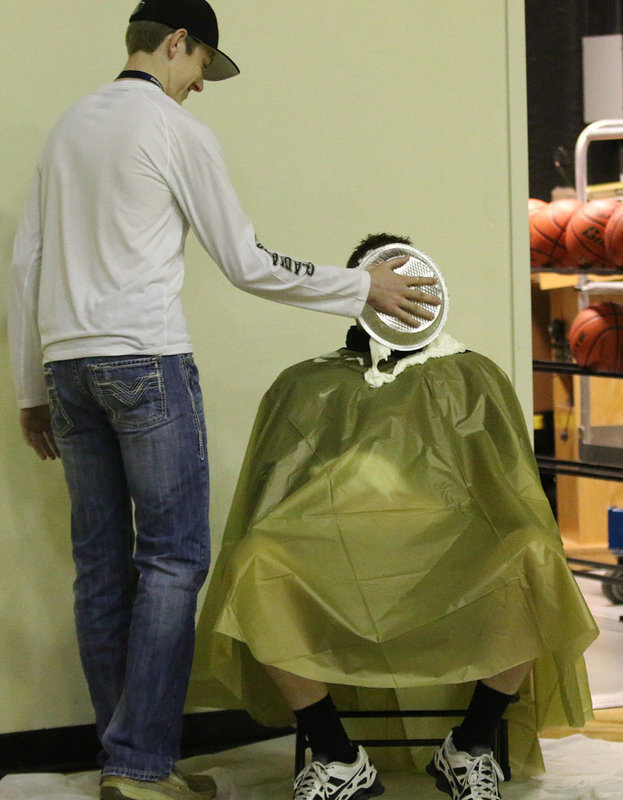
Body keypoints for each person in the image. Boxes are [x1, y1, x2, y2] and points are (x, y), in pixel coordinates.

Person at [7, 2, 440, 798]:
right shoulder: (173, 131)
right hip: (144, 361)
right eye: (202, 65)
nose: (199, 86)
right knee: (172, 561)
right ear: (176, 43)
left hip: (70, 367)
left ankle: (127, 763)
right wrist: (362, 289)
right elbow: (244, 261)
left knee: (102, 569)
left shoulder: (68, 129)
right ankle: (140, 767)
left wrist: (32, 387)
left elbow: (27, 262)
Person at [188, 232, 598, 800]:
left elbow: (509, 490)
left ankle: (471, 744)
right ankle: (334, 754)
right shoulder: (306, 384)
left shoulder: (472, 376)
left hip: (453, 546)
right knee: (256, 561)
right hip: (336, 551)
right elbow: (276, 494)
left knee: (535, 554)